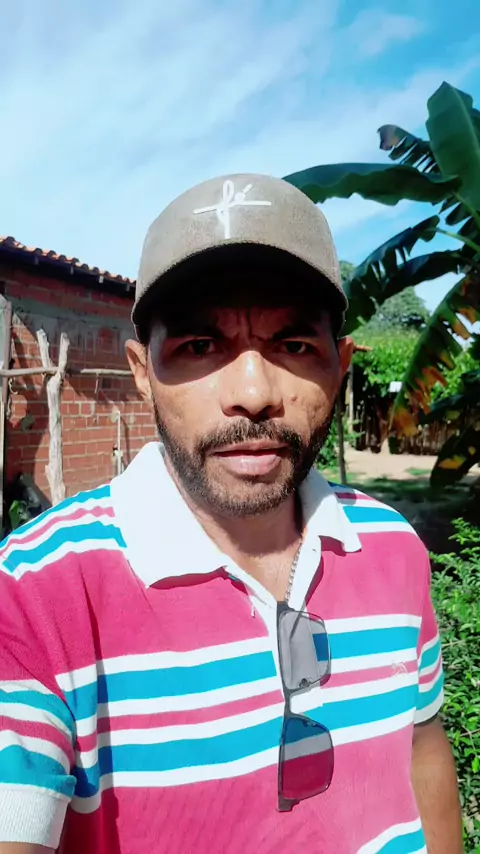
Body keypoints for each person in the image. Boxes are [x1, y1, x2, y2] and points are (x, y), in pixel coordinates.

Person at [0, 174, 462, 854]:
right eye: (199, 346)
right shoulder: (36, 593)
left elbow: (421, 743)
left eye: (294, 346)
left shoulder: (393, 547)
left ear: (339, 366)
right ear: (142, 372)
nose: (253, 393)